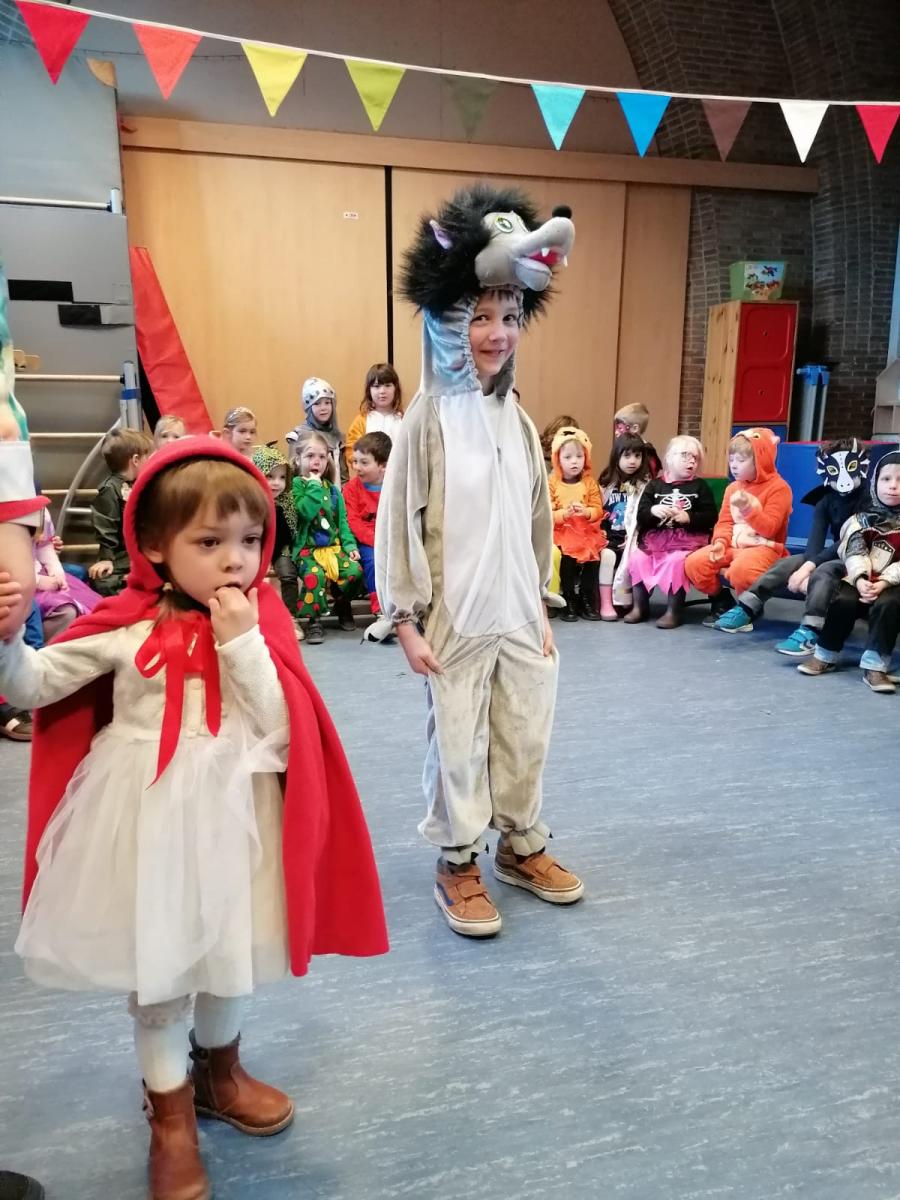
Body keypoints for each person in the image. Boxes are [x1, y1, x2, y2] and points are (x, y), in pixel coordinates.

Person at [0, 438, 387, 1200]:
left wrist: (241, 641)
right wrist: (10, 639)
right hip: (144, 819)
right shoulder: (124, 625)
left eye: (249, 540)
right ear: (154, 545)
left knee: (231, 946)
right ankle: (170, 1119)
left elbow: (283, 728)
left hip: (236, 814)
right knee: (162, 968)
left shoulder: (262, 620)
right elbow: (33, 687)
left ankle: (220, 1072)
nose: (235, 560)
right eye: (209, 543)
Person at [376, 183, 583, 938]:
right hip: (454, 619)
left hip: (518, 614)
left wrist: (541, 603)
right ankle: (458, 858)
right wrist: (405, 621)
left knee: (524, 731)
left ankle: (519, 844)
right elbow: (398, 527)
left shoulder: (519, 420)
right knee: (458, 745)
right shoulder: (426, 423)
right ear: (449, 320)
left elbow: (535, 520)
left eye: (509, 317)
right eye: (481, 317)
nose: (497, 334)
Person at [713, 438, 870, 651]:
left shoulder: (871, 498)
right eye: (834, 469)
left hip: (862, 555)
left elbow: (851, 538)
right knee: (786, 564)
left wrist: (809, 568)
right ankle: (748, 606)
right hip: (837, 553)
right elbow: (815, 542)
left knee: (823, 572)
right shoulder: (825, 499)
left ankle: (811, 629)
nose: (843, 478)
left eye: (850, 467)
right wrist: (806, 565)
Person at [798, 450, 900, 692]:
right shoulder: (860, 520)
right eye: (886, 479)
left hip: (893, 582)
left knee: (889, 604)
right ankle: (825, 654)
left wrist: (884, 582)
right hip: (860, 577)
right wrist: (861, 579)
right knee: (843, 599)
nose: (893, 486)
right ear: (875, 482)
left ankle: (875, 666)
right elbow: (854, 552)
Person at [684, 428, 793, 626]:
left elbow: (770, 529)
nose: (733, 465)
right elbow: (725, 522)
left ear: (760, 460)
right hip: (732, 545)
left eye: (741, 460)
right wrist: (720, 542)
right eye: (731, 459)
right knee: (695, 563)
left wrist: (747, 509)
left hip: (765, 547)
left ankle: (749, 608)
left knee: (741, 571)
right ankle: (722, 600)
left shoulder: (780, 488)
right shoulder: (733, 488)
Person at [627, 435, 717, 629]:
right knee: (638, 559)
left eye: (695, 458)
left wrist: (689, 517)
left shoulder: (700, 487)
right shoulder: (654, 486)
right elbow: (641, 516)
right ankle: (640, 607)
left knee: (675, 562)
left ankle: (674, 611)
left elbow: (711, 516)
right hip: (656, 541)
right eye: (685, 455)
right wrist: (653, 511)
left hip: (687, 541)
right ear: (669, 458)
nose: (691, 461)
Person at [291, 430, 363, 644]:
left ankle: (341, 602)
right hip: (307, 551)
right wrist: (313, 486)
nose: (317, 461)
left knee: (354, 572)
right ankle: (313, 620)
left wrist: (349, 545)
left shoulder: (332, 490)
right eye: (310, 456)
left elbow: (342, 523)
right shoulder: (295, 486)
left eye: (322, 457)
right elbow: (304, 512)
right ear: (298, 459)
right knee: (315, 575)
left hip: (333, 549)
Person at [548, 425, 606, 621]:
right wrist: (564, 514)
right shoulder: (552, 483)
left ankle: (586, 598)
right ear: (558, 459)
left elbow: (598, 509)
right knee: (567, 560)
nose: (574, 461)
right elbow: (547, 512)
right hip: (562, 531)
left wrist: (587, 512)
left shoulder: (589, 482)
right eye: (568, 457)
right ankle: (569, 598)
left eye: (579, 456)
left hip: (586, 531)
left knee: (593, 559)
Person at [89, 427, 153, 597]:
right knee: (102, 580)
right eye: (147, 457)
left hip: (144, 552)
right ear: (136, 460)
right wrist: (107, 559)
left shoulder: (141, 484)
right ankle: (130, 584)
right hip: (122, 556)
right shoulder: (110, 489)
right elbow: (105, 526)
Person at [597, 433, 655, 620]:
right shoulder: (606, 483)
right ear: (617, 456)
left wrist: (634, 537)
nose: (633, 461)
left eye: (637, 456)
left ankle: (633, 602)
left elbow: (645, 517)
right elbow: (599, 513)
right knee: (607, 556)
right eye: (627, 455)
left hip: (634, 538)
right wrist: (602, 535)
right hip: (609, 538)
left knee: (636, 557)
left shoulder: (646, 485)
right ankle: (606, 603)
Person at [343, 431, 393, 642]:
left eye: (364, 462)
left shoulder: (394, 487)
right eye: (355, 461)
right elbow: (353, 522)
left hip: (391, 539)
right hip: (367, 542)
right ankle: (380, 612)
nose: (357, 467)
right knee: (374, 561)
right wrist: (377, 542)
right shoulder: (351, 489)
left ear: (383, 465)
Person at [251, 445, 302, 639]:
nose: (276, 483)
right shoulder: (251, 500)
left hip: (281, 547)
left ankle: (291, 618)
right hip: (255, 547)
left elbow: (289, 534)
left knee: (288, 574)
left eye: (282, 477)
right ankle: (252, 620)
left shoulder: (287, 502)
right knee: (250, 576)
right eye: (270, 476)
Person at [33, 510, 100, 639]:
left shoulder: (41, 510)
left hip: (36, 568)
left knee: (93, 603)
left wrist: (57, 573)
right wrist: (38, 581)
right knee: (66, 611)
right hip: (17, 579)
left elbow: (44, 545)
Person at [285, 378, 348, 485]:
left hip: (333, 491)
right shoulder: (299, 435)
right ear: (309, 407)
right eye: (317, 403)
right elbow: (293, 473)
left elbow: (343, 476)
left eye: (327, 403)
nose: (323, 408)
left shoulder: (337, 437)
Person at [345, 364, 403, 471]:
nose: (382, 391)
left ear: (396, 388)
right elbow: (351, 450)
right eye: (376, 386)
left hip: (397, 475)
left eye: (388, 385)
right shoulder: (361, 421)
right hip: (368, 477)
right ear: (369, 390)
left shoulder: (403, 420)